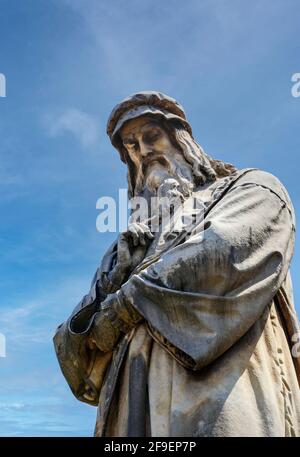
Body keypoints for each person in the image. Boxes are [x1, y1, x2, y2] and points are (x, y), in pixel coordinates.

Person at [54, 91, 300, 437]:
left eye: (151, 135)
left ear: (180, 139)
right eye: (131, 145)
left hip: (219, 397)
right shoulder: (124, 246)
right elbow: (79, 352)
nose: (143, 150)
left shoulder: (251, 188)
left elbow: (225, 254)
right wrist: (113, 280)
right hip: (131, 404)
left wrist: (124, 305)